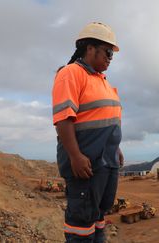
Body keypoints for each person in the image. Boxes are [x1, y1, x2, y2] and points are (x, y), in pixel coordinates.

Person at [52, 22, 124, 243]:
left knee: (99, 217)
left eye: (112, 53)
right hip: (86, 165)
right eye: (108, 51)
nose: (111, 57)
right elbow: (64, 118)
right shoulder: (71, 73)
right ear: (90, 48)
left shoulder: (101, 80)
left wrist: (116, 148)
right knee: (81, 225)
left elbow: (105, 119)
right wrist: (75, 156)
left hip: (106, 163)